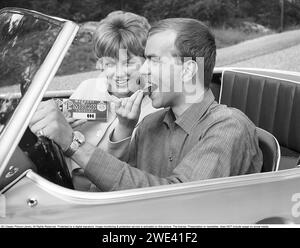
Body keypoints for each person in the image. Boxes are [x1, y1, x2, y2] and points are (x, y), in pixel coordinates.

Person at [30, 18, 263, 191]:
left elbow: (176, 201)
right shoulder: (148, 124)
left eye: (152, 60)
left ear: (188, 70)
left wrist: (72, 142)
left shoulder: (228, 127)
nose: (142, 71)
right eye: (109, 64)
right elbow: (106, 190)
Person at [39, 10, 158, 190]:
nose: (118, 73)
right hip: (61, 185)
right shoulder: (89, 88)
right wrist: (53, 118)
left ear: (145, 61)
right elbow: (52, 127)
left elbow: (126, 178)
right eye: (110, 64)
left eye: (128, 63)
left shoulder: (155, 111)